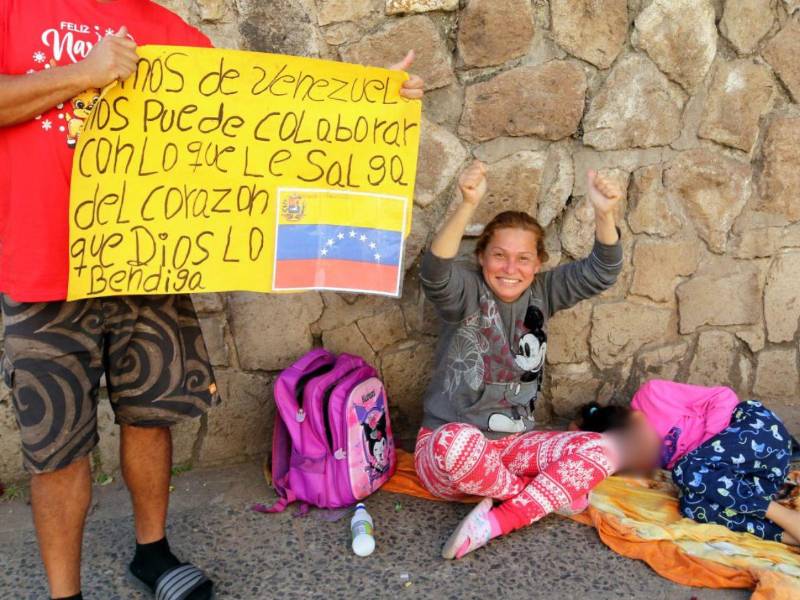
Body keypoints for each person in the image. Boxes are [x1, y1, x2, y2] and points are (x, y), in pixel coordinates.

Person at [0, 1, 423, 598]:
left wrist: (377, 99)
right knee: (56, 445)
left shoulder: (168, 30)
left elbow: (264, 117)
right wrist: (80, 74)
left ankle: (153, 553)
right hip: (44, 272)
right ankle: (62, 593)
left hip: (148, 266)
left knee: (151, 417)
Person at [414, 160, 626, 559]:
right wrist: (466, 204)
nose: (511, 269)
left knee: (610, 448)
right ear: (481, 258)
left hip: (512, 448)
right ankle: (531, 497)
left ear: (538, 263)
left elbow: (603, 270)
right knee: (455, 443)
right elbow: (434, 272)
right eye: (499, 256)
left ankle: (498, 521)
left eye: (524, 258)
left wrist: (605, 212)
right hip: (447, 455)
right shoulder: (465, 290)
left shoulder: (544, 292)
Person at [576, 380, 800, 546]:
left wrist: (710, 446)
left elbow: (723, 396)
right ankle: (785, 534)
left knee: (687, 469)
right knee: (691, 505)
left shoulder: (651, 394)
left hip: (754, 430)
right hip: (755, 480)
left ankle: (780, 514)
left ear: (632, 418)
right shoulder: (644, 455)